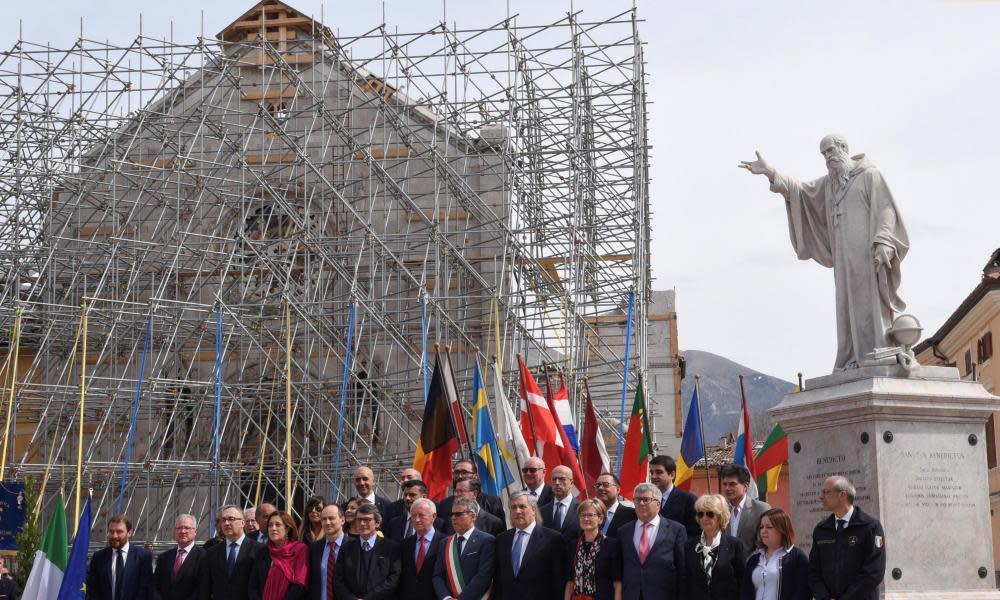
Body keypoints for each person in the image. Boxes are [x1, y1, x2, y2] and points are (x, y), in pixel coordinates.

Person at [740, 134, 910, 371]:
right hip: (843, 261)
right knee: (845, 308)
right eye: (824, 154)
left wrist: (883, 241)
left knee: (868, 302)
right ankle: (852, 357)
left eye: (830, 151)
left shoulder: (870, 176)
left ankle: (876, 352)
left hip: (867, 256)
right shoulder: (830, 185)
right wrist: (770, 172)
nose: (827, 157)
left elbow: (886, 209)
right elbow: (799, 190)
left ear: (844, 148)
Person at [808, 476, 885, 600]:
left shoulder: (870, 527)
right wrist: (823, 597)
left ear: (842, 495)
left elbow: (874, 572)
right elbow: (813, 571)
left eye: (826, 492)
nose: (821, 497)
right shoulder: (821, 530)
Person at [618, 483, 686, 600]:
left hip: (664, 595)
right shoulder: (623, 531)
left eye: (646, 499)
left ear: (658, 504)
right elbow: (620, 567)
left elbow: (683, 568)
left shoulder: (676, 530)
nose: (641, 503)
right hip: (631, 595)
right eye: (637, 500)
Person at [494, 490, 566, 599]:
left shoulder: (553, 539)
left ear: (533, 509)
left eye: (522, 506)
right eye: (513, 507)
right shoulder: (502, 539)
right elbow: (498, 579)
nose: (517, 511)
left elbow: (559, 580)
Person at [332, 502, 401, 599]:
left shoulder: (391, 548)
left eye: (367, 520)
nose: (362, 523)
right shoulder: (346, 548)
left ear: (377, 522)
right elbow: (338, 579)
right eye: (359, 520)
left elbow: (393, 580)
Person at [433, 497, 496, 600]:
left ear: (473, 516)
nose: (453, 518)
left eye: (458, 514)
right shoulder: (445, 543)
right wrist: (446, 598)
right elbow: (437, 575)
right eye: (451, 514)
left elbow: (484, 576)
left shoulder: (487, 540)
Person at [683, 494, 744, 600]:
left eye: (710, 514)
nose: (704, 518)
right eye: (701, 514)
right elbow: (685, 582)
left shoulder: (734, 545)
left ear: (720, 516)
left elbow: (742, 581)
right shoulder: (689, 545)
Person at [741, 508, 809, 600]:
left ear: (782, 530)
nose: (763, 531)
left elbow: (803, 592)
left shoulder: (797, 558)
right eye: (761, 527)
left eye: (769, 527)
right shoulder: (754, 560)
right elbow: (746, 592)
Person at [563, 498, 622, 600]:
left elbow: (617, 583)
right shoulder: (573, 546)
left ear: (600, 519)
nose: (586, 518)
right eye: (582, 515)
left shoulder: (612, 545)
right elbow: (570, 582)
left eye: (590, 515)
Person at [200, 504, 263, 600]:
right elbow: (206, 588)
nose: (226, 523)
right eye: (223, 520)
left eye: (231, 519)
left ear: (242, 523)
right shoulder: (212, 552)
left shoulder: (259, 550)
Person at [86, 514, 154, 600]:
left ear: (129, 533)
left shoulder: (143, 557)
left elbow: (145, 590)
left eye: (119, 532)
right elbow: (93, 589)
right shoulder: (98, 557)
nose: (114, 536)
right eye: (111, 532)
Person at [248, 512, 308, 600]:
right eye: (270, 525)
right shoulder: (263, 552)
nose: (273, 528)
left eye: (278, 525)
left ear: (287, 528)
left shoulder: (300, 549)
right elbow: (253, 586)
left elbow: (300, 584)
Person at [718, 464, 770, 557]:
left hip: (752, 567)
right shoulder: (719, 509)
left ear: (745, 486)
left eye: (732, 484)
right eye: (725, 484)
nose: (727, 488)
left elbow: (763, 545)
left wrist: (745, 565)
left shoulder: (761, 509)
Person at [398, 498, 443, 600]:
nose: (417, 520)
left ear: (433, 516)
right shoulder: (405, 544)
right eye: (413, 516)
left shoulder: (445, 542)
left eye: (421, 515)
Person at [437, 460, 507, 525]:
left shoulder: (492, 502)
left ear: (475, 476)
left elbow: (500, 532)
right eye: (456, 472)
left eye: (464, 472)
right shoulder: (445, 504)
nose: (460, 476)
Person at [153, 514, 205, 600]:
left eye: (187, 528)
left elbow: (202, 589)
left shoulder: (203, 557)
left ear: (195, 532)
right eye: (179, 528)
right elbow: (155, 586)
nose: (183, 531)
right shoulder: (164, 557)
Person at [649, 455, 699, 538]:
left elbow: (695, 533)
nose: (653, 476)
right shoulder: (647, 500)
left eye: (659, 472)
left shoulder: (688, 499)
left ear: (672, 475)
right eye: (651, 472)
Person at [308, 504, 346, 600]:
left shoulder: (354, 546)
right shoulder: (314, 548)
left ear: (342, 520)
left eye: (331, 518)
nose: (327, 522)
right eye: (324, 519)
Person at [541, 465, 581, 541]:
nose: (557, 482)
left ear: (571, 483)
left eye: (562, 479)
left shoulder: (582, 509)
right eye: (554, 479)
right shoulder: (542, 511)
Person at [594, 472, 635, 537]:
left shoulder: (632, 515)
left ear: (618, 490)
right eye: (598, 485)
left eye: (606, 485)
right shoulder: (589, 514)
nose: (600, 488)